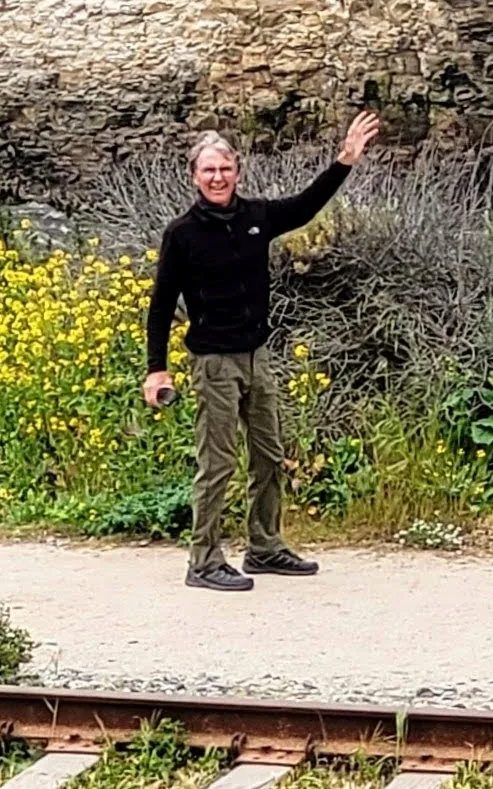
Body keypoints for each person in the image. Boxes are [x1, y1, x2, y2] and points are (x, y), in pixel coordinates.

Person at [141, 110, 381, 592]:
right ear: (194, 176)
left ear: (237, 172)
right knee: (218, 463)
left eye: (225, 168)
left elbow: (306, 206)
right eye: (208, 169)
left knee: (269, 456)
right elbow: (162, 305)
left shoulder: (256, 218)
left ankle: (264, 547)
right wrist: (156, 371)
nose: (217, 176)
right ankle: (204, 561)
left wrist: (345, 161)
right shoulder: (182, 234)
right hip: (214, 362)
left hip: (258, 356)